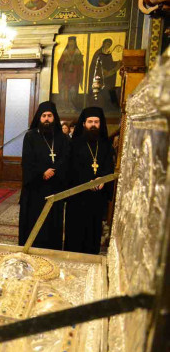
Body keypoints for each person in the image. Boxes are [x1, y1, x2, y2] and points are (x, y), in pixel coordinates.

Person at [18, 101, 70, 250]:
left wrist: (54, 171)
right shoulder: (30, 136)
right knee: (34, 220)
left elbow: (66, 158)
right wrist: (42, 172)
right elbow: (27, 160)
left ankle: (52, 249)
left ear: (54, 117)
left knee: (53, 221)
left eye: (49, 115)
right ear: (39, 118)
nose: (46, 118)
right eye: (44, 116)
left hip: (55, 187)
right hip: (35, 188)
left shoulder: (63, 138)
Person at [64, 107, 114, 254]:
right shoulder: (74, 144)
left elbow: (109, 167)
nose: (93, 125)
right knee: (76, 230)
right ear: (84, 124)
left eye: (96, 122)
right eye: (90, 121)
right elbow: (70, 167)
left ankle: (91, 255)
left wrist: (102, 179)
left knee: (94, 229)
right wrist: (87, 181)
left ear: (100, 124)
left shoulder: (106, 145)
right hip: (78, 196)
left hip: (97, 196)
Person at [57, 36, 84, 113]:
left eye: (73, 42)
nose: (71, 43)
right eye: (70, 42)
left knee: (73, 92)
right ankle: (65, 107)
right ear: (68, 43)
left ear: (75, 43)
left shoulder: (78, 53)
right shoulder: (65, 53)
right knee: (65, 93)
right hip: (65, 77)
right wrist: (64, 62)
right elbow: (59, 64)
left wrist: (75, 63)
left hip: (74, 77)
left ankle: (73, 107)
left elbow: (81, 65)